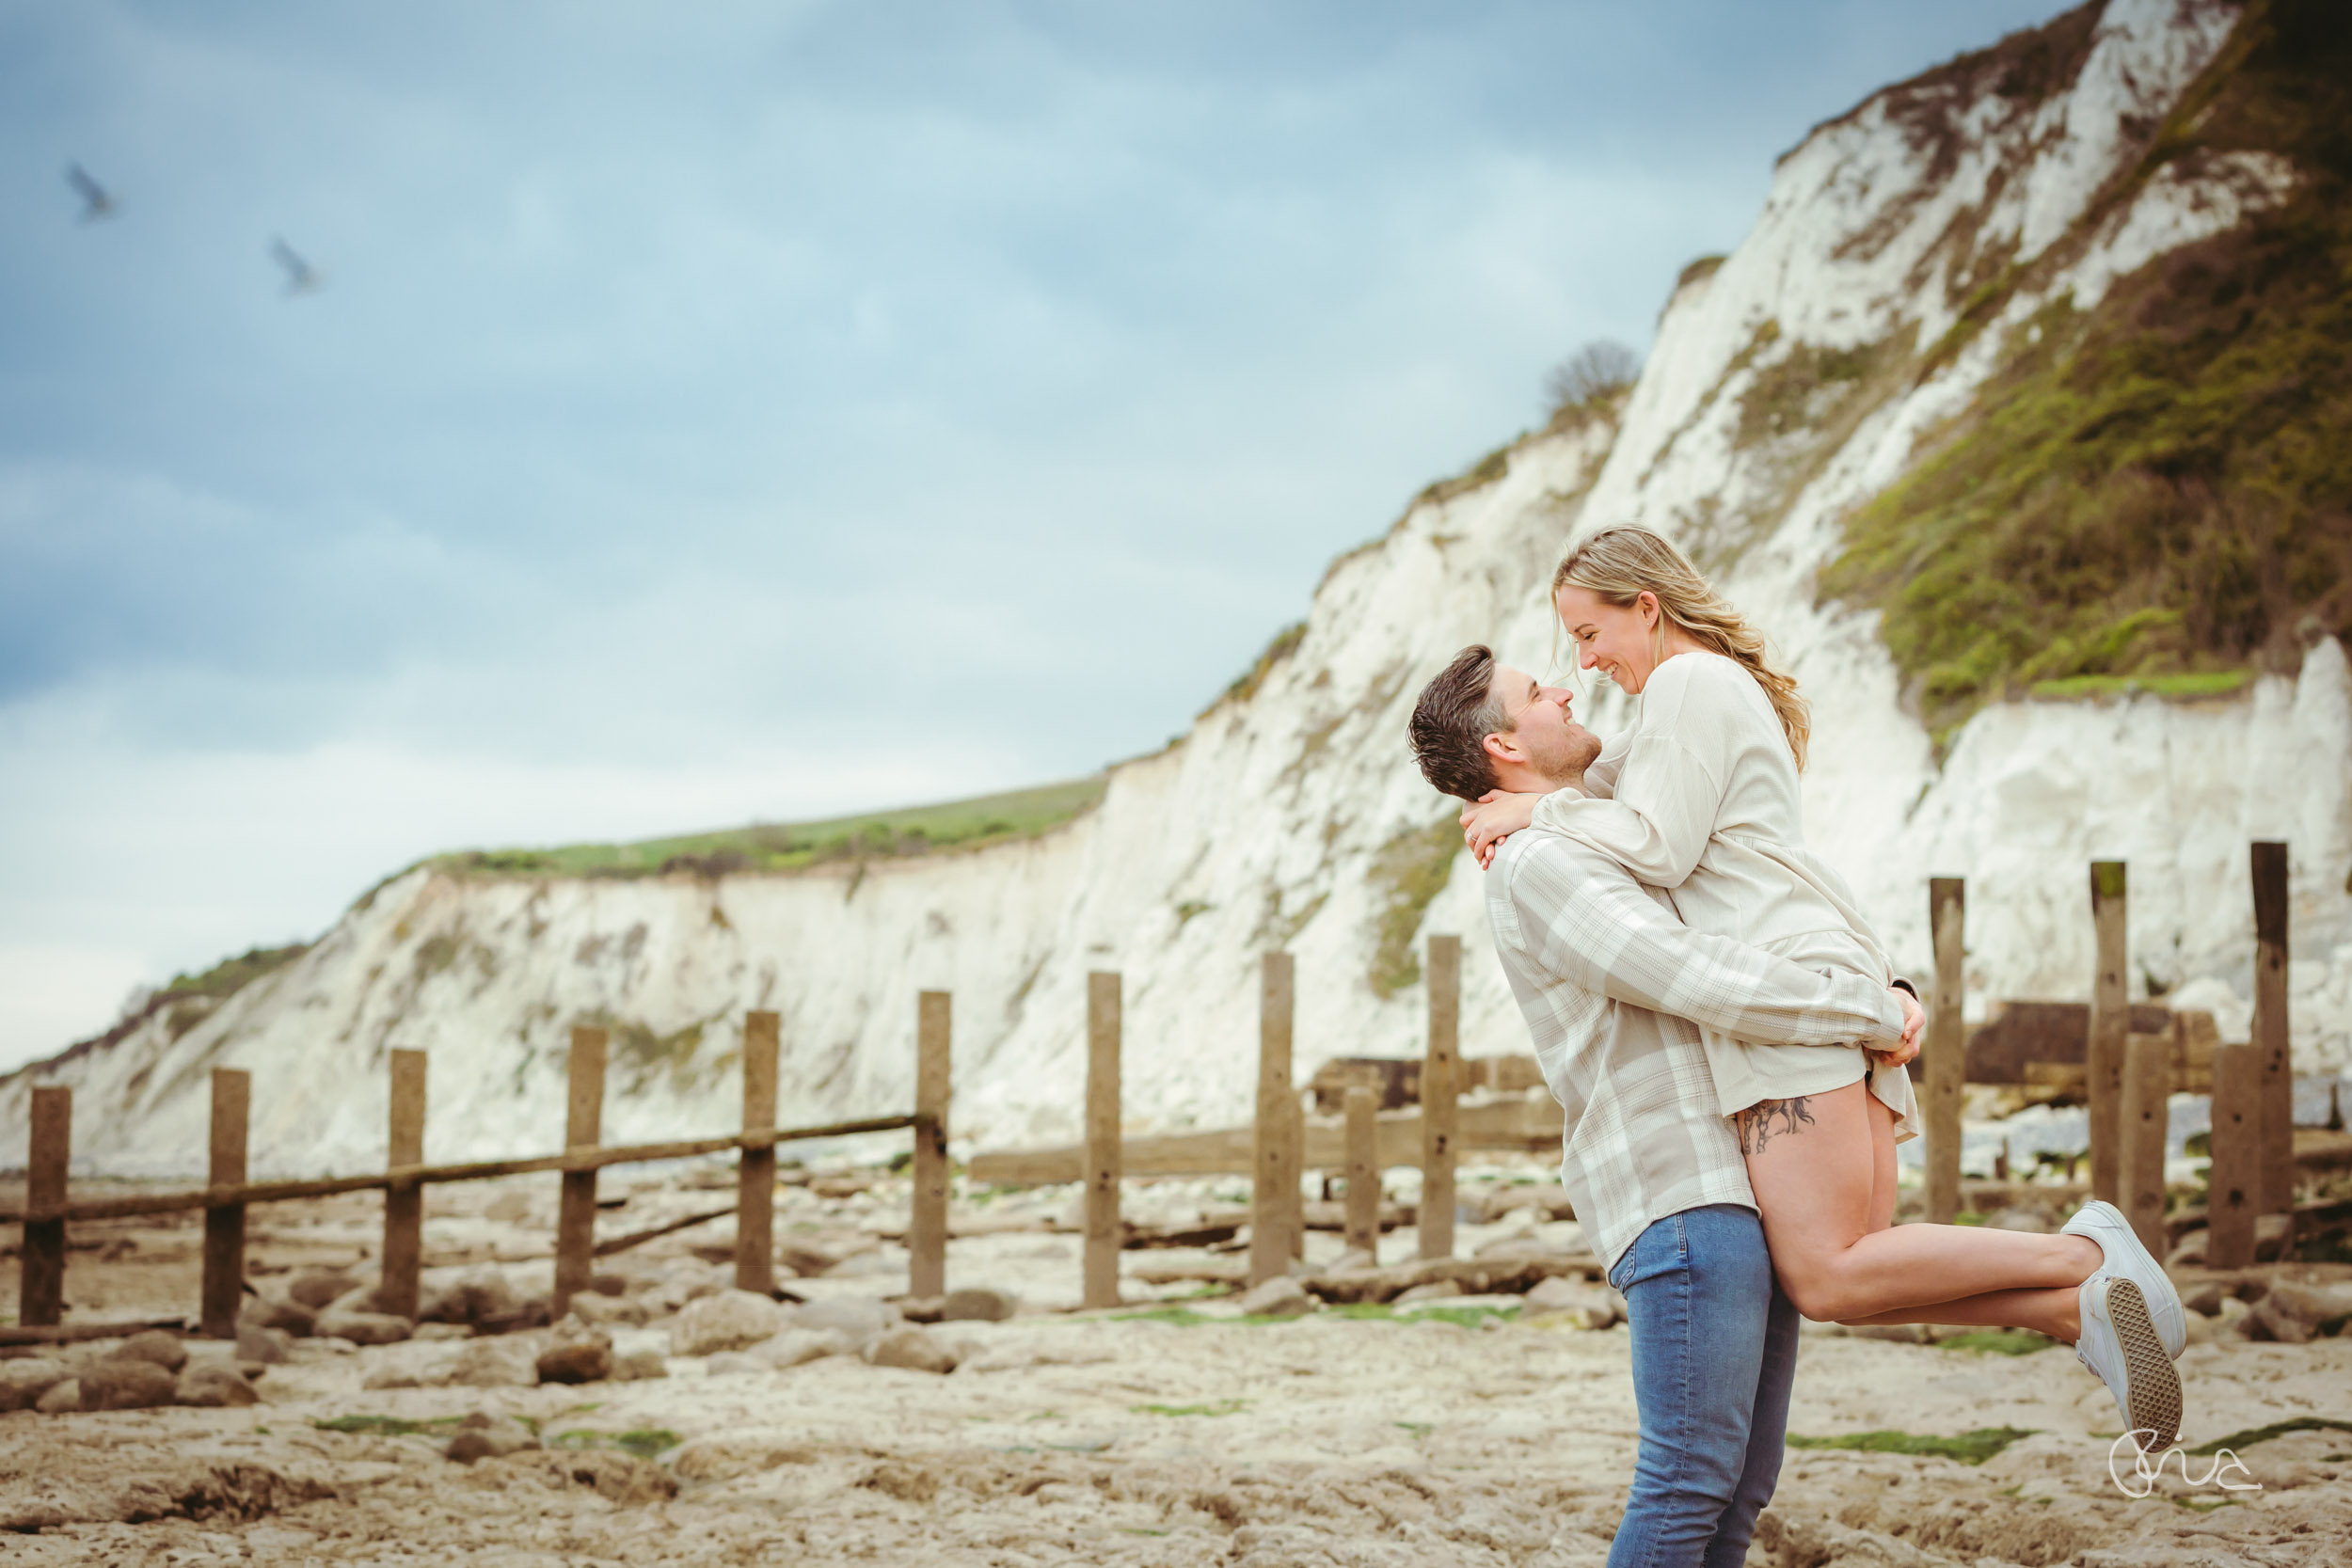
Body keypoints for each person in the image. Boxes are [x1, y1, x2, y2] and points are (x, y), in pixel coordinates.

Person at [1407, 641, 2176, 1565]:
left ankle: (2075, 1298)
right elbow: (1689, 972)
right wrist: (1864, 1006)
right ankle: (2082, 1265)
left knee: (1735, 1491)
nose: (1567, 685)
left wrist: (1877, 978)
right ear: (1501, 744)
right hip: (1678, 1194)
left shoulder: (1585, 829)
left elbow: (1749, 883)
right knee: (1688, 1479)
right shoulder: (1538, 864)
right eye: (1537, 691)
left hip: (1732, 1180)